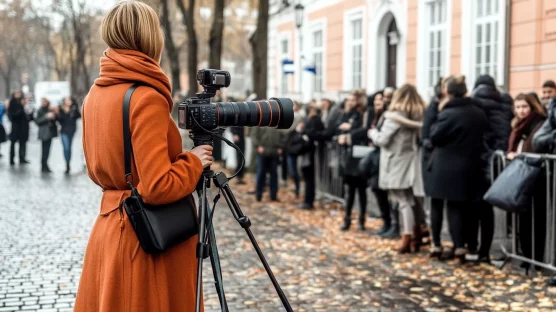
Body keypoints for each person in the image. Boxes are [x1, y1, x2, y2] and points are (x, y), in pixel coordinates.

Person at [74, 2, 214, 311]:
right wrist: (193, 160)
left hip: (111, 230)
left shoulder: (94, 96)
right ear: (151, 37)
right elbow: (157, 186)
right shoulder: (146, 97)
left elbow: (98, 170)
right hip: (146, 243)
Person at [426, 76, 488, 261]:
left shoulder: (447, 113)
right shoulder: (477, 112)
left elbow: (435, 136)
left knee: (438, 204)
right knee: (457, 207)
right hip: (469, 165)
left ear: (447, 92)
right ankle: (460, 246)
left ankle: (436, 243)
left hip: (444, 166)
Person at [369, 84, 425, 253]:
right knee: (412, 200)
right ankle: (416, 235)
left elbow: (382, 140)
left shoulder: (393, 117)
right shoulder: (418, 115)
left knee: (403, 201)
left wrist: (372, 134)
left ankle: (407, 236)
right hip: (411, 159)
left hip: (395, 161)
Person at [469, 74, 513, 262]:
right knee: (487, 211)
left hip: (474, 161)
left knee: (471, 208)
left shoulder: (473, 104)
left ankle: (472, 247)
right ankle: (484, 251)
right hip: (494, 162)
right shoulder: (504, 105)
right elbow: (503, 135)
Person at [508, 93, 547, 270]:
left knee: (536, 217)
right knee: (522, 217)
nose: (521, 110)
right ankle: (526, 255)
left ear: (531, 107)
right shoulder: (518, 126)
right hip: (521, 176)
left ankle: (536, 257)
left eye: (524, 106)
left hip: (536, 176)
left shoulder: (539, 124)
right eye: (518, 107)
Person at [337, 91, 367, 231]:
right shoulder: (347, 113)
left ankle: (361, 220)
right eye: (349, 99)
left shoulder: (364, 113)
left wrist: (350, 132)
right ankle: (347, 219)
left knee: (361, 191)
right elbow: (337, 128)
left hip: (360, 154)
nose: (350, 102)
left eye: (353, 99)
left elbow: (365, 130)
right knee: (350, 191)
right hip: (349, 156)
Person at [295, 106, 325, 209]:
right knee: (308, 179)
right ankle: (308, 200)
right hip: (308, 152)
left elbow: (312, 134)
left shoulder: (313, 120)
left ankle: (308, 201)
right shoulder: (312, 120)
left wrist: (304, 135)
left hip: (309, 153)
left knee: (309, 179)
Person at [251, 126, 284, 202]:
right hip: (262, 153)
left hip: (274, 153)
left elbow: (283, 134)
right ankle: (258, 195)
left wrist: (281, 147)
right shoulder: (260, 119)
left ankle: (273, 196)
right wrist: (257, 146)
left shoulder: (277, 120)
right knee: (261, 173)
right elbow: (254, 135)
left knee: (274, 174)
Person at [7, 91, 33, 165]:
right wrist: (21, 108)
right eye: (16, 94)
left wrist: (28, 109)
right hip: (15, 127)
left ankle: (22, 158)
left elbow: (30, 117)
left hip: (24, 127)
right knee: (13, 143)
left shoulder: (26, 105)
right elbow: (12, 116)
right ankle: (11, 159)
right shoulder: (12, 104)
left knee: (23, 143)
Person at [57, 97, 82, 174]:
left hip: (71, 131)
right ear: (64, 102)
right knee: (66, 148)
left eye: (69, 100)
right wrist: (63, 111)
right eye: (66, 100)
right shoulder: (61, 109)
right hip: (64, 131)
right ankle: (67, 163)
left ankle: (68, 163)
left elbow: (79, 116)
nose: (68, 102)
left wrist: (74, 107)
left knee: (69, 148)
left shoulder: (73, 109)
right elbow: (59, 120)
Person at [35, 98, 59, 173]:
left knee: (47, 150)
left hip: (50, 132)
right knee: (44, 150)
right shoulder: (40, 110)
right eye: (42, 102)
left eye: (45, 102)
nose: (44, 103)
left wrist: (54, 115)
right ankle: (43, 165)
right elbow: (38, 121)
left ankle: (45, 165)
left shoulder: (50, 109)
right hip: (44, 133)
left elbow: (56, 121)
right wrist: (46, 117)